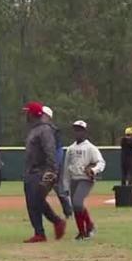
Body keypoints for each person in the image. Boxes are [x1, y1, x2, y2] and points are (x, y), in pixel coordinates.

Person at [21, 101, 67, 243]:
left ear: (33, 114)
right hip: (31, 171)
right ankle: (47, 228)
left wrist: (52, 170)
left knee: (35, 201)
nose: (25, 115)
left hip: (40, 170)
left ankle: (46, 229)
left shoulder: (45, 129)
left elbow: (50, 150)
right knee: (34, 202)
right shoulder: (34, 129)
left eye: (27, 112)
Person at [62, 120, 106, 241]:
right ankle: (83, 231)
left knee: (77, 203)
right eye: (75, 130)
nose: (77, 132)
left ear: (85, 132)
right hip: (74, 179)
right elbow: (66, 168)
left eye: (80, 130)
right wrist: (65, 185)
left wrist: (94, 170)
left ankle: (88, 228)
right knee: (77, 206)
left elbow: (101, 162)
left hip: (85, 179)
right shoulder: (70, 149)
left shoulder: (90, 148)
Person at [43, 106, 73, 218]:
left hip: (53, 165)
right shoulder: (38, 130)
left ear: (48, 117)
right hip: (43, 165)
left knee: (59, 189)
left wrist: (55, 165)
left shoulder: (53, 131)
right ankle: (40, 213)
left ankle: (68, 212)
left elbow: (59, 149)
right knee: (39, 192)